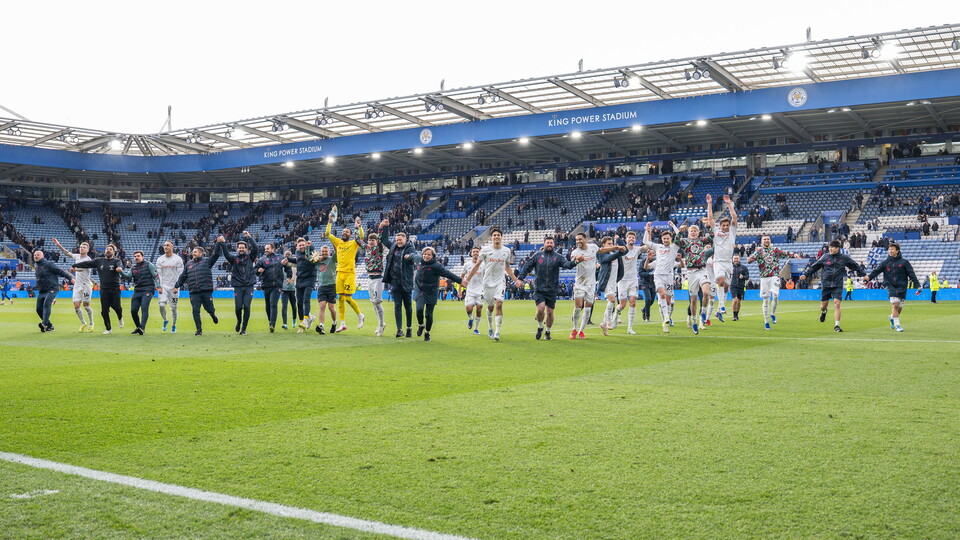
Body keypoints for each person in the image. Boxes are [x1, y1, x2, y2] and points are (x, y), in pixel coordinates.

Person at [515, 236, 579, 340]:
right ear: (544, 244)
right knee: (540, 309)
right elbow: (527, 266)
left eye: (551, 243)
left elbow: (567, 265)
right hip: (539, 289)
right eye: (547, 242)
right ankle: (540, 327)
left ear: (554, 244)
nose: (549, 244)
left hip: (552, 289)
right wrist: (520, 279)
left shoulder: (558, 257)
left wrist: (575, 262)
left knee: (550, 312)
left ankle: (548, 331)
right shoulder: (537, 256)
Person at [463, 227, 520, 341]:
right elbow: (477, 266)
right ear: (492, 238)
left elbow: (507, 267)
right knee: (490, 307)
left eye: (498, 235)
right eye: (494, 235)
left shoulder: (506, 251)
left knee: (499, 304)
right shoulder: (485, 250)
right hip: (487, 283)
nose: (496, 237)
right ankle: (490, 328)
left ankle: (497, 332)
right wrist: (467, 279)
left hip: (500, 282)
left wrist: (516, 280)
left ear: (501, 237)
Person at [800, 240, 866, 332]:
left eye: (832, 247)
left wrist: (863, 274)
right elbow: (815, 266)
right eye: (829, 247)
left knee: (837, 304)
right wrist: (806, 274)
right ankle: (823, 312)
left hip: (837, 284)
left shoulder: (843, 258)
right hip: (826, 284)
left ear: (837, 248)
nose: (830, 249)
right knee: (823, 306)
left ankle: (837, 326)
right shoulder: (825, 257)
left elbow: (854, 265)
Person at [567, 233, 616, 339]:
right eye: (576, 240)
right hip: (580, 283)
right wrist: (576, 259)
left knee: (588, 308)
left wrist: (616, 247)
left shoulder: (593, 247)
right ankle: (574, 329)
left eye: (580, 239)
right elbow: (572, 258)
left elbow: (602, 250)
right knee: (578, 307)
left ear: (585, 239)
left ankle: (581, 331)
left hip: (591, 284)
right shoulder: (576, 252)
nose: (578, 241)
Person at [864, 242, 921, 332]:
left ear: (897, 251)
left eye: (892, 249)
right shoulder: (885, 263)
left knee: (899, 307)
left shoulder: (904, 262)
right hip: (891, 286)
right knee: (895, 304)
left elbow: (911, 274)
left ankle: (892, 317)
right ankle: (897, 325)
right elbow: (876, 271)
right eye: (889, 249)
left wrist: (917, 285)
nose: (890, 251)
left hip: (902, 286)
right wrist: (867, 279)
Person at [748, 235, 802, 330]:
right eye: (764, 239)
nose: (766, 240)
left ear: (770, 240)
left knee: (775, 296)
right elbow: (749, 260)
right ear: (761, 241)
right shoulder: (759, 251)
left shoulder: (775, 250)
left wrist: (794, 254)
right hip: (764, 277)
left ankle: (772, 313)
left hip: (774, 276)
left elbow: (785, 253)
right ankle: (766, 321)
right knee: (766, 300)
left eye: (767, 239)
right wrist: (751, 257)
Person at [412, 247, 462, 341]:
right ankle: (421, 325)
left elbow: (448, 274)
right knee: (419, 309)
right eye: (425, 254)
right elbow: (412, 255)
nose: (426, 256)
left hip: (431, 292)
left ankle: (427, 333)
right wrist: (407, 256)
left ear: (433, 256)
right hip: (420, 290)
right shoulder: (419, 259)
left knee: (428, 314)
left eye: (429, 255)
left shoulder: (436, 266)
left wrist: (460, 281)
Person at [672, 220, 714, 336]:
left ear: (698, 232)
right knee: (693, 299)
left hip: (702, 269)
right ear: (688, 232)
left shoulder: (701, 241)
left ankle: (704, 313)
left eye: (695, 230)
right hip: (691, 272)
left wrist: (708, 225)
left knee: (706, 292)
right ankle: (694, 321)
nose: (694, 232)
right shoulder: (685, 242)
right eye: (691, 230)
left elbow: (711, 236)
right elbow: (676, 241)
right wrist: (679, 232)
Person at [73, 244, 125, 334]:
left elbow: (119, 265)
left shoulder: (116, 261)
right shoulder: (99, 261)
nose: (108, 250)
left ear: (114, 252)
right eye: (107, 249)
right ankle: (108, 329)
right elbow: (86, 263)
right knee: (104, 310)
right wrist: (75, 265)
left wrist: (120, 268)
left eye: (110, 249)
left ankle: (120, 318)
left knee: (116, 307)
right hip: (104, 289)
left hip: (115, 288)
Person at [326, 214, 365, 333]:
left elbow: (362, 237)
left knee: (348, 298)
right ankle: (342, 323)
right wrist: (329, 221)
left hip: (349, 273)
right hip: (339, 273)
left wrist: (359, 226)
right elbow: (328, 234)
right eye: (343, 231)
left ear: (350, 234)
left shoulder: (354, 243)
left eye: (347, 232)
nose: (344, 233)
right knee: (341, 298)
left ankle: (360, 315)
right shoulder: (338, 242)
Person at [379, 220, 417, 338]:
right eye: (397, 239)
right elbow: (384, 240)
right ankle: (399, 329)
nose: (398, 241)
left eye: (400, 239)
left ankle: (409, 328)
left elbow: (415, 256)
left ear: (405, 240)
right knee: (397, 305)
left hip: (406, 281)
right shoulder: (393, 247)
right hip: (395, 280)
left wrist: (410, 257)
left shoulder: (410, 248)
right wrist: (386, 227)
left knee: (408, 306)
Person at [174, 244, 222, 336]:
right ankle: (199, 330)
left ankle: (212, 314)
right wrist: (176, 286)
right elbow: (183, 276)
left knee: (209, 308)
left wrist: (218, 243)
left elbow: (216, 255)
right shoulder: (189, 264)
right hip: (194, 292)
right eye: (193, 251)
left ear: (201, 253)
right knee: (195, 310)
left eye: (195, 252)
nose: (193, 253)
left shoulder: (207, 261)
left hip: (206, 290)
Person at [642, 222, 680, 333]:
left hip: (668, 276)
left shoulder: (674, 247)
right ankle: (667, 317)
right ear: (661, 239)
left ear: (670, 239)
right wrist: (647, 229)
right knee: (662, 294)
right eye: (664, 238)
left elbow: (680, 237)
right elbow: (645, 242)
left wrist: (673, 226)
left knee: (668, 301)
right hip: (658, 275)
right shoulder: (658, 247)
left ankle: (665, 321)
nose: (666, 240)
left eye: (667, 238)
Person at [218, 232, 258, 335]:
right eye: (239, 248)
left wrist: (249, 237)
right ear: (237, 249)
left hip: (249, 286)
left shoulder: (250, 258)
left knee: (247, 307)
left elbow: (256, 248)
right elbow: (226, 254)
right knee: (238, 307)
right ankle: (239, 321)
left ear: (246, 249)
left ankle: (244, 328)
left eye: (243, 247)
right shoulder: (234, 260)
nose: (241, 249)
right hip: (238, 287)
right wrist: (223, 243)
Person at [705, 194, 738, 322]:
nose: (725, 227)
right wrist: (709, 204)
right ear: (720, 225)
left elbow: (734, 217)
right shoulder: (716, 232)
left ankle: (719, 310)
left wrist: (729, 204)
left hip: (728, 263)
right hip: (718, 261)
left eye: (726, 225)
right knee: (720, 281)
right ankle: (723, 307)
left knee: (725, 286)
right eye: (723, 225)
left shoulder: (732, 232)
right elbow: (710, 219)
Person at [52, 238, 94, 332]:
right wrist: (58, 244)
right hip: (77, 285)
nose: (82, 248)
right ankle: (83, 323)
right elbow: (67, 253)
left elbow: (83, 268)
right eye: (81, 247)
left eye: (84, 247)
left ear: (87, 250)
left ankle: (91, 323)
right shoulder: (77, 257)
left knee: (86, 306)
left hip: (86, 285)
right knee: (76, 306)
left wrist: (75, 268)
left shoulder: (88, 260)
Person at [118, 250, 160, 335]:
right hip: (137, 291)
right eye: (135, 256)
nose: (136, 258)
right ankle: (138, 327)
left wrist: (158, 286)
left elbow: (156, 276)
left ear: (142, 257)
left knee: (144, 307)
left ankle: (142, 327)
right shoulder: (133, 268)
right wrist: (121, 272)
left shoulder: (149, 264)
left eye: (138, 256)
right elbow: (127, 276)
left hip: (148, 289)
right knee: (133, 310)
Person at [33, 250, 75, 332]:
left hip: (52, 288)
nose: (36, 256)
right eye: (34, 255)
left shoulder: (48, 264)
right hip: (42, 290)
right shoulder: (36, 265)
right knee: (38, 309)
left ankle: (44, 324)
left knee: (46, 304)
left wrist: (71, 278)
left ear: (42, 256)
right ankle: (49, 326)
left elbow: (60, 271)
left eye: (38, 255)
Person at [614, 231, 647, 334]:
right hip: (622, 280)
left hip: (633, 280)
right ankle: (615, 315)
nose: (631, 239)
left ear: (635, 239)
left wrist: (647, 231)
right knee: (622, 305)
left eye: (633, 237)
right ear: (626, 239)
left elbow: (646, 246)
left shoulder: (637, 250)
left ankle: (629, 328)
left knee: (633, 302)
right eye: (630, 237)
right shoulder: (622, 250)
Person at [595, 236, 627, 336]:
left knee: (611, 302)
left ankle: (603, 323)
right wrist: (617, 248)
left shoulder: (615, 253)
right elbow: (609, 258)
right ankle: (609, 321)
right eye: (609, 244)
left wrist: (619, 241)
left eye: (612, 243)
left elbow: (625, 251)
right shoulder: (600, 254)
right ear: (603, 245)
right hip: (605, 281)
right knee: (612, 300)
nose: (611, 245)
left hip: (614, 282)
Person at [285, 237, 319, 332]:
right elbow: (298, 261)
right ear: (297, 247)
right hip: (300, 279)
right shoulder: (297, 253)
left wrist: (310, 246)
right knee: (299, 302)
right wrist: (287, 259)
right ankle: (303, 322)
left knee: (306, 300)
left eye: (303, 245)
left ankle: (305, 321)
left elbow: (313, 253)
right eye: (299, 245)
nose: (301, 246)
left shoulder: (310, 251)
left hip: (310, 278)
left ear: (306, 245)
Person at [254, 242, 288, 333]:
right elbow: (255, 271)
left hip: (277, 285)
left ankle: (272, 324)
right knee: (268, 305)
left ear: (273, 249)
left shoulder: (280, 257)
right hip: (266, 285)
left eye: (267, 249)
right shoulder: (262, 260)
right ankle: (270, 321)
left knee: (273, 303)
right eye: (265, 249)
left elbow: (287, 267)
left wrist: (288, 276)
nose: (266, 250)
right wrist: (258, 271)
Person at [156, 241, 184, 333]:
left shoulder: (178, 259)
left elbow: (181, 274)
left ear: (172, 247)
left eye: (167, 245)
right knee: (161, 305)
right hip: (163, 287)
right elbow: (158, 275)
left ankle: (173, 325)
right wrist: (159, 286)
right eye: (164, 245)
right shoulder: (160, 259)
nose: (165, 247)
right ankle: (165, 320)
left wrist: (177, 286)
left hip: (174, 287)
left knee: (173, 308)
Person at [364, 232, 388, 336]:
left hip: (378, 278)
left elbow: (382, 238)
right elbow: (358, 240)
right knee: (374, 302)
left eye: (373, 240)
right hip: (370, 278)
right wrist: (357, 226)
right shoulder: (366, 248)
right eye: (369, 240)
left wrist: (382, 228)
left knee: (377, 302)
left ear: (376, 241)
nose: (370, 242)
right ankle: (380, 324)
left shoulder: (379, 248)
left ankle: (381, 324)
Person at [313, 246, 339, 335]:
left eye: (326, 251)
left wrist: (335, 243)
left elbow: (337, 251)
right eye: (323, 251)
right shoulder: (317, 261)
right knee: (322, 306)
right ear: (320, 252)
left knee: (331, 307)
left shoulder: (332, 259)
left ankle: (334, 322)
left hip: (332, 286)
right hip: (321, 287)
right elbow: (308, 257)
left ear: (329, 252)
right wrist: (309, 247)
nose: (324, 253)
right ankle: (321, 326)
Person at [460, 246, 485, 335]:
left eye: (477, 251)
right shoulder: (467, 265)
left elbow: (486, 277)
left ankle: (476, 328)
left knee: (479, 309)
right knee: (469, 309)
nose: (475, 253)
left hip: (480, 291)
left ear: (479, 253)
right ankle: (470, 318)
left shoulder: (483, 264)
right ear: (471, 253)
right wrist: (460, 289)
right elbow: (462, 277)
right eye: (474, 251)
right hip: (470, 291)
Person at [280, 250, 298, 329]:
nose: (287, 256)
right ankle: (285, 323)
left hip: (293, 289)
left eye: (289, 254)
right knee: (284, 306)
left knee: (294, 306)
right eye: (286, 254)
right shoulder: (282, 266)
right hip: (284, 289)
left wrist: (292, 280)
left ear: (291, 256)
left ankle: (294, 320)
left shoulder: (294, 265)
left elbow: (295, 276)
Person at [638, 251, 657, 323]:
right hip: (644, 283)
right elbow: (640, 272)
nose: (653, 255)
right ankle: (647, 316)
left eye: (654, 254)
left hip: (653, 283)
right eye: (651, 253)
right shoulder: (643, 262)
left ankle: (644, 309)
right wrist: (649, 274)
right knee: (648, 299)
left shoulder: (656, 262)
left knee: (652, 300)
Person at [729, 255, 749, 321]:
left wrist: (743, 277)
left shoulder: (743, 267)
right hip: (733, 286)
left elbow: (747, 276)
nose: (736, 260)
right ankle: (734, 315)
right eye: (735, 258)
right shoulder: (730, 267)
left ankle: (737, 315)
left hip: (741, 286)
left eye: (737, 258)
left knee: (739, 301)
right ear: (733, 259)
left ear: (739, 259)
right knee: (735, 300)